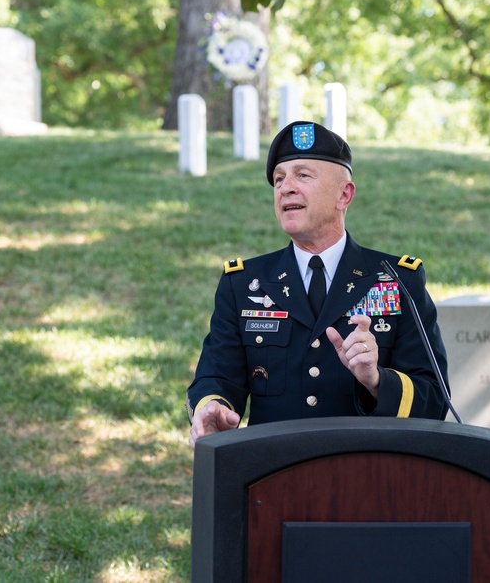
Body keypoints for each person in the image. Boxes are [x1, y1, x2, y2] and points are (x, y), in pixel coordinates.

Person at [187, 120, 450, 448]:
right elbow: (217, 376)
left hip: (369, 477)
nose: (285, 187)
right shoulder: (244, 284)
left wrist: (377, 380)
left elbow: (435, 401)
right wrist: (213, 407)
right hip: (272, 477)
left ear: (344, 194)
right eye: (279, 179)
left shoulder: (397, 279)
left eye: (303, 175)